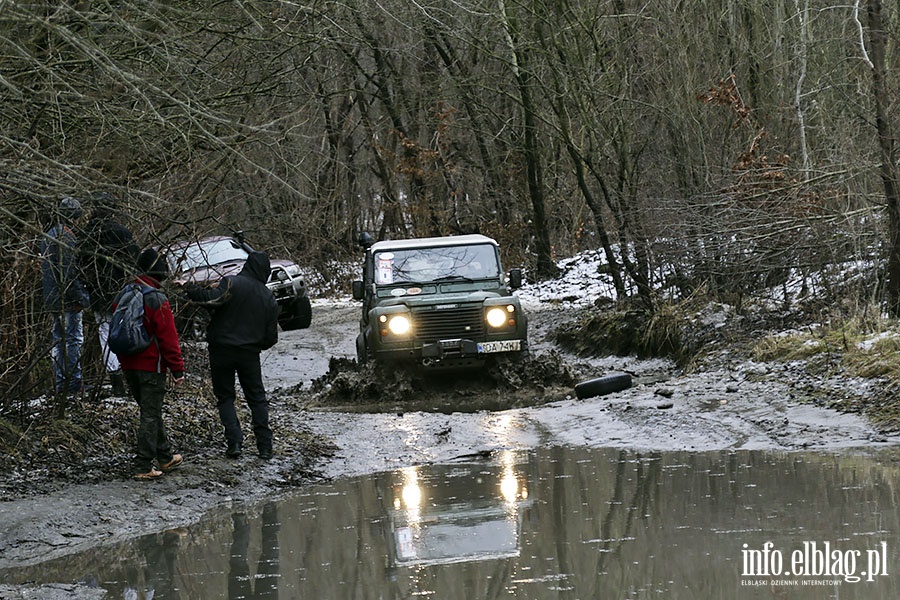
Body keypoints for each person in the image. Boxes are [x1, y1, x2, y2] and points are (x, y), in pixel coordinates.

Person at [186, 250, 278, 460]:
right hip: (249, 354)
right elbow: (271, 337)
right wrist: (255, 345)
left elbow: (211, 300)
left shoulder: (231, 283)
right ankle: (265, 447)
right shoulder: (268, 296)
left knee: (225, 397)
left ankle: (234, 443)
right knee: (257, 399)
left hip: (221, 350)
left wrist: (189, 288)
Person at [113, 248, 185, 480]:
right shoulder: (156, 298)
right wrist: (177, 369)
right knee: (150, 415)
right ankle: (143, 465)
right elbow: (168, 338)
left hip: (127, 363)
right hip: (151, 366)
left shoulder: (124, 293)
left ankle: (165, 456)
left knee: (149, 411)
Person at [82, 191, 139, 396]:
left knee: (105, 335)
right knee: (127, 333)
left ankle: (116, 381)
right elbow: (135, 261)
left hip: (97, 293)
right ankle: (130, 377)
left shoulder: (86, 234)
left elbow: (80, 266)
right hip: (120, 292)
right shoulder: (122, 233)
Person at [41, 196, 91, 396]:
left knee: (58, 340)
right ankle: (72, 384)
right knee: (72, 340)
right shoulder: (66, 238)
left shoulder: (48, 235)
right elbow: (68, 272)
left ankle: (62, 383)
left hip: (52, 297)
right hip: (66, 300)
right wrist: (80, 298)